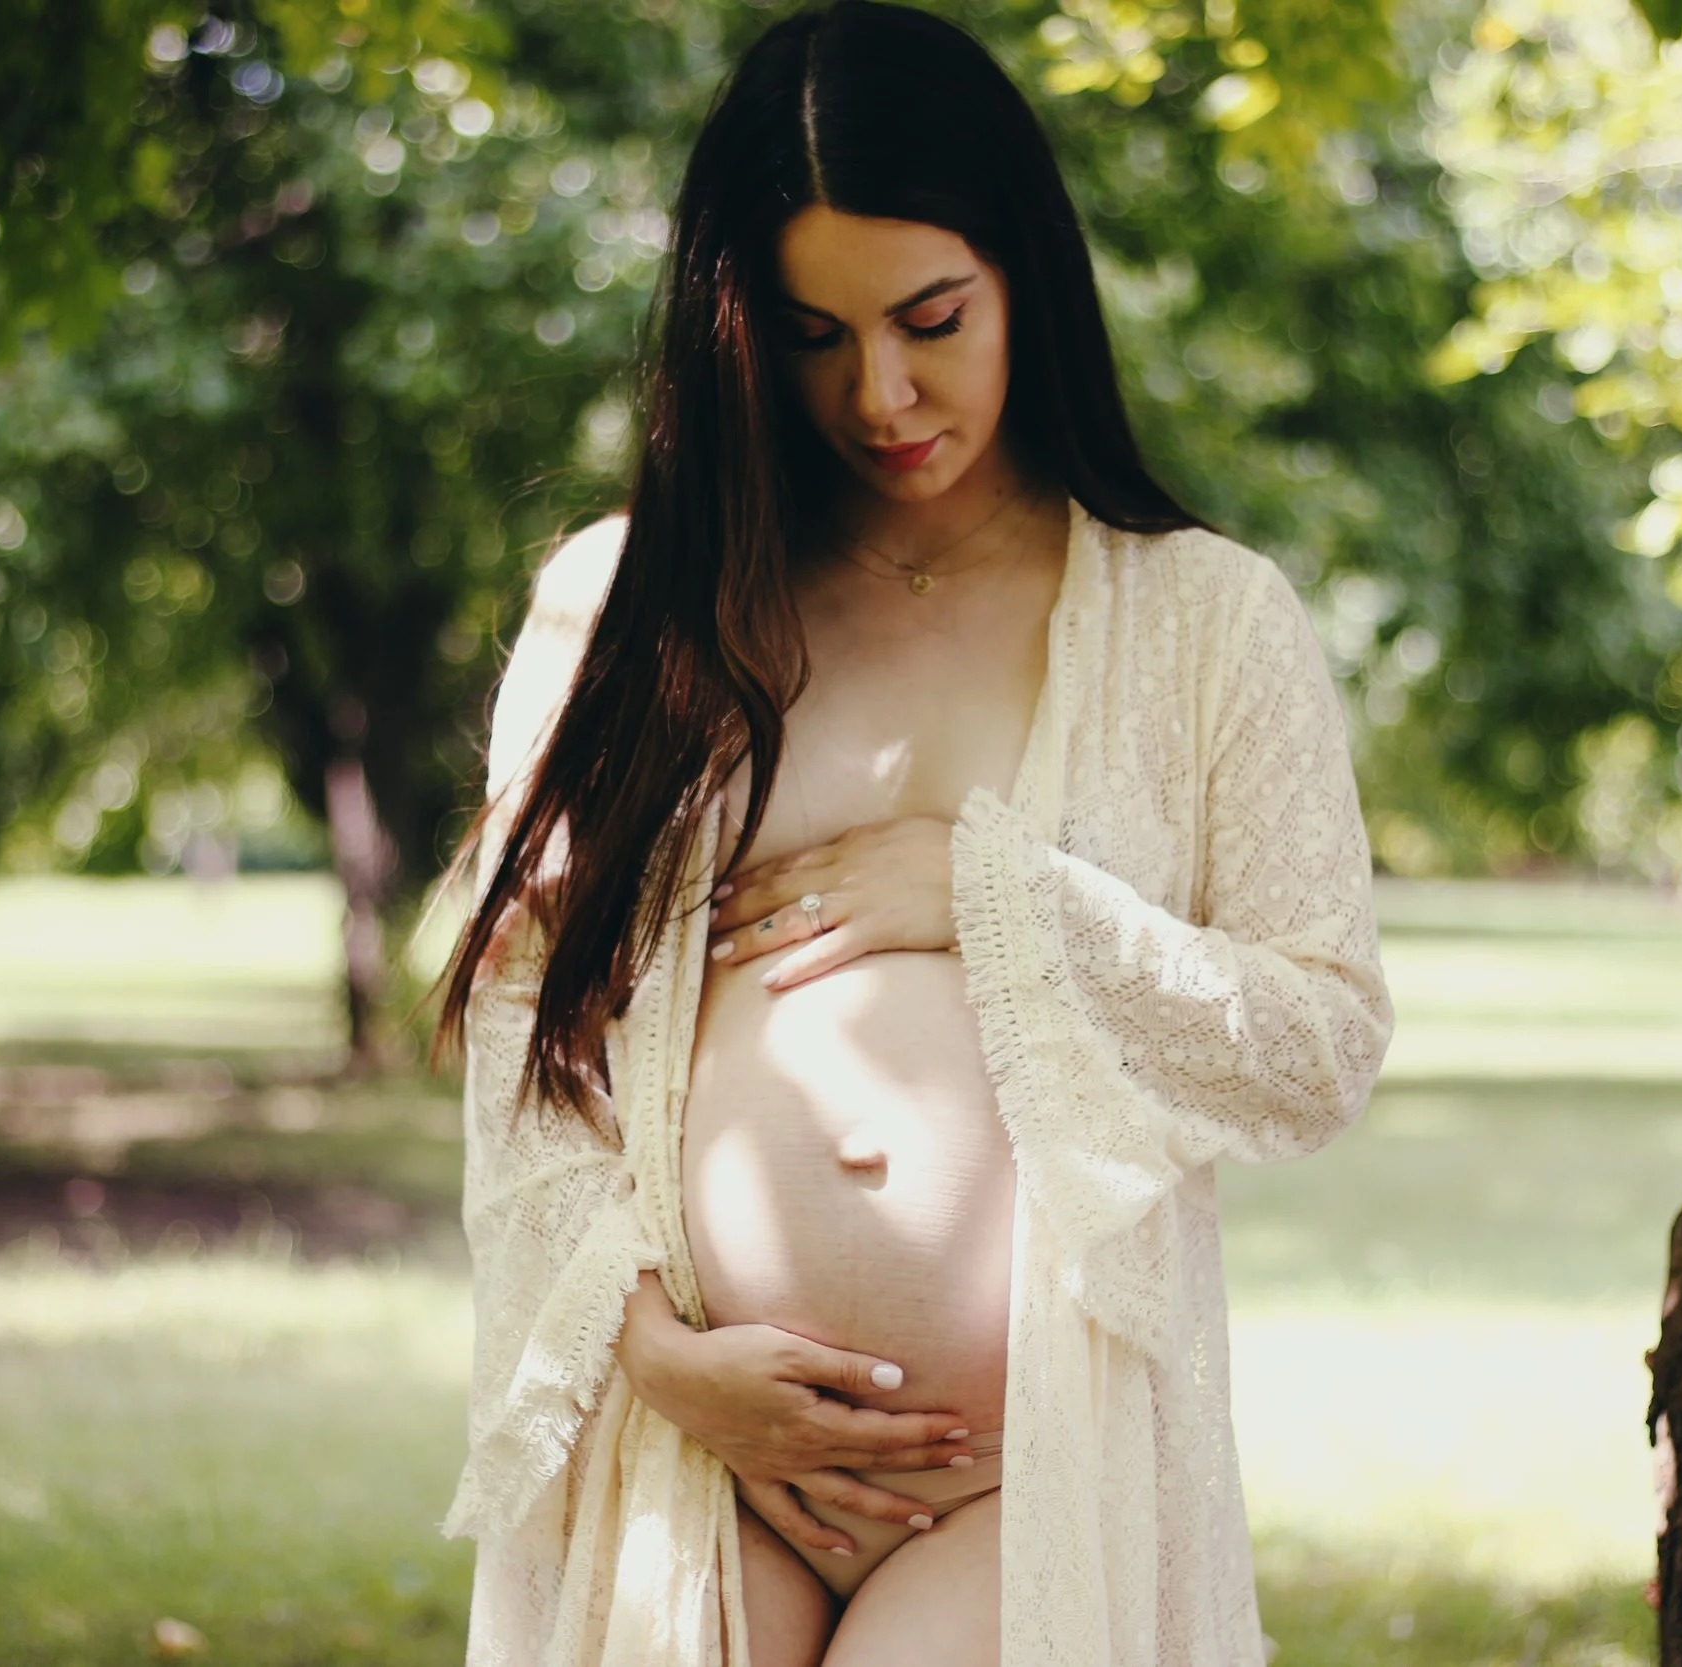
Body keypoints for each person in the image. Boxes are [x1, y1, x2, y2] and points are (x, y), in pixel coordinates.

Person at [435, 5, 1393, 1664]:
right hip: (699, 1453)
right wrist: (649, 1347)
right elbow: (523, 1032)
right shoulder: (622, 612)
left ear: (1027, 270)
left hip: (1034, 1472)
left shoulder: (1205, 624)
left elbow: (1319, 1040)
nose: (880, 391)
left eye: (931, 318)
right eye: (812, 335)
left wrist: (1000, 895)